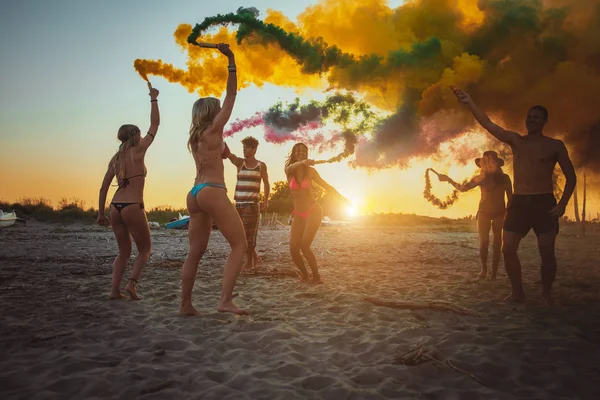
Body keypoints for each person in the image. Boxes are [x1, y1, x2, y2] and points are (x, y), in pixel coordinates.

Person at [452, 86, 576, 306]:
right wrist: (470, 102)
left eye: (536, 117)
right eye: (529, 117)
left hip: (543, 202)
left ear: (544, 121)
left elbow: (571, 177)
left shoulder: (555, 146)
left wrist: (563, 203)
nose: (531, 120)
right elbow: (489, 124)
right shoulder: (517, 141)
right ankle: (517, 292)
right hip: (519, 202)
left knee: (546, 251)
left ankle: (546, 294)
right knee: (507, 249)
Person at [179, 43, 248, 316]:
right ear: (211, 113)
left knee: (195, 252)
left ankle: (185, 305)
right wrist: (231, 60)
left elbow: (225, 153)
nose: (222, 111)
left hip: (195, 192)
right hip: (212, 191)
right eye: (217, 109)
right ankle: (225, 300)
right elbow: (231, 94)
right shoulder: (214, 130)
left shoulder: (196, 137)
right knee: (240, 244)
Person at [97, 85, 160, 300]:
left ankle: (114, 291)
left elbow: (104, 187)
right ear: (134, 136)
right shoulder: (139, 151)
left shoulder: (116, 159)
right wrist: (154, 99)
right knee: (145, 249)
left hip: (115, 208)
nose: (143, 136)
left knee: (123, 251)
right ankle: (131, 285)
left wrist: (100, 213)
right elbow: (156, 124)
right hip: (133, 207)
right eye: (140, 134)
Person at [438, 151, 512, 280]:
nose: (486, 165)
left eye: (489, 161)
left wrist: (509, 214)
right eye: (485, 162)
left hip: (500, 213)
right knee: (483, 243)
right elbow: (463, 188)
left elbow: (510, 198)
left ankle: (494, 273)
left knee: (497, 243)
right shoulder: (481, 178)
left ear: (496, 164)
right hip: (483, 212)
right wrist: (448, 180)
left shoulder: (505, 178)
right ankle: (484, 269)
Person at [285, 143, 349, 283]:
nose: (301, 153)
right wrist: (302, 163)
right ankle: (304, 275)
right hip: (298, 213)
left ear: (306, 154)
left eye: (304, 151)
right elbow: (290, 167)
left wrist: (342, 198)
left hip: (313, 210)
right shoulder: (289, 170)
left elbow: (326, 186)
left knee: (304, 245)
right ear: (294, 154)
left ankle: (316, 276)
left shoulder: (311, 171)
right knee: (293, 249)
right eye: (298, 151)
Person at [227, 136, 270, 271]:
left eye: (247, 147)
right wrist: (219, 140)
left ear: (254, 149)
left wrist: (266, 200)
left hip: (252, 205)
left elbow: (267, 183)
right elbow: (229, 155)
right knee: (238, 234)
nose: (244, 150)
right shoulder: (240, 163)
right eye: (243, 147)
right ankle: (255, 257)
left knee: (249, 235)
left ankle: (250, 262)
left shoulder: (261, 165)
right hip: (238, 204)